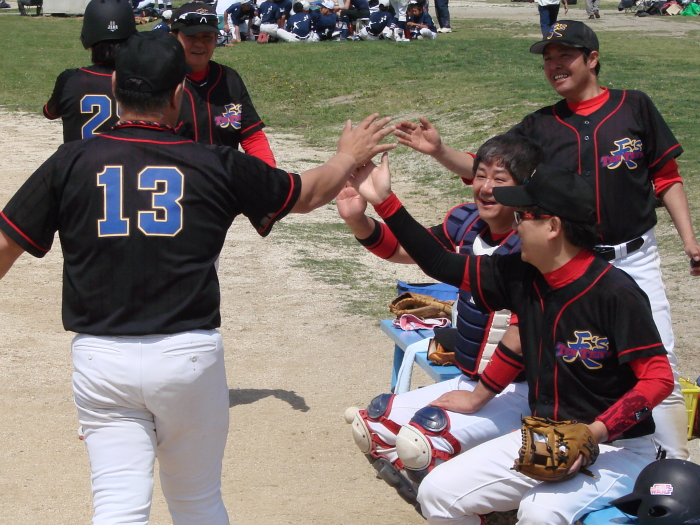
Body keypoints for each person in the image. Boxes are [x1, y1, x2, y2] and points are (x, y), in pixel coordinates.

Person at [0, 31, 395, 525]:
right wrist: (345, 156)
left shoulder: (70, 161)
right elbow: (308, 193)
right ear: (180, 94)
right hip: (187, 355)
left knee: (117, 508)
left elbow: (3, 248)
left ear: (116, 86)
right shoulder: (216, 163)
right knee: (197, 504)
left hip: (101, 358)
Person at [393, 20, 700, 460]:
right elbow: (492, 168)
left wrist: (690, 240)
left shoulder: (634, 106)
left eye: (565, 56)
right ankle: (576, 453)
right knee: (568, 359)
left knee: (657, 364)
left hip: (635, 256)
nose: (555, 65)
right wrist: (440, 152)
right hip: (568, 260)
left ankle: (671, 467)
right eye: (548, 59)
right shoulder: (540, 126)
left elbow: (666, 176)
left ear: (592, 59)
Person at [351, 156, 674, 525]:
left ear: (552, 226)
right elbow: (439, 262)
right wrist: (385, 202)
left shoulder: (615, 292)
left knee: (540, 512)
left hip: (620, 450)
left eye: (523, 216)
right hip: (543, 440)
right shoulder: (523, 274)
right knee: (437, 493)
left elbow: (658, 378)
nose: (515, 225)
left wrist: (593, 432)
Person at [339, 134, 543, 507]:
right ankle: (446, 502)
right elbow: (412, 250)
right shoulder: (466, 224)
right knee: (374, 425)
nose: (486, 188)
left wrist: (479, 398)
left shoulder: (532, 246)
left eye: (500, 180)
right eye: (480, 175)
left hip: (522, 391)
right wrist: (358, 221)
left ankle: (480, 505)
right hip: (470, 378)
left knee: (421, 441)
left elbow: (520, 334)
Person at [171, 2, 277, 167]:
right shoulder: (160, 80)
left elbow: (252, 136)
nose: (199, 43)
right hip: (178, 178)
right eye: (191, 36)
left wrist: (270, 174)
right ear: (173, 38)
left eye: (207, 36)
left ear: (216, 39)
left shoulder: (229, 79)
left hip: (224, 178)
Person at [43, 0, 137, 143]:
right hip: (127, 157)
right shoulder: (143, 79)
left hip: (81, 157)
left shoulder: (70, 79)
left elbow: (50, 113)